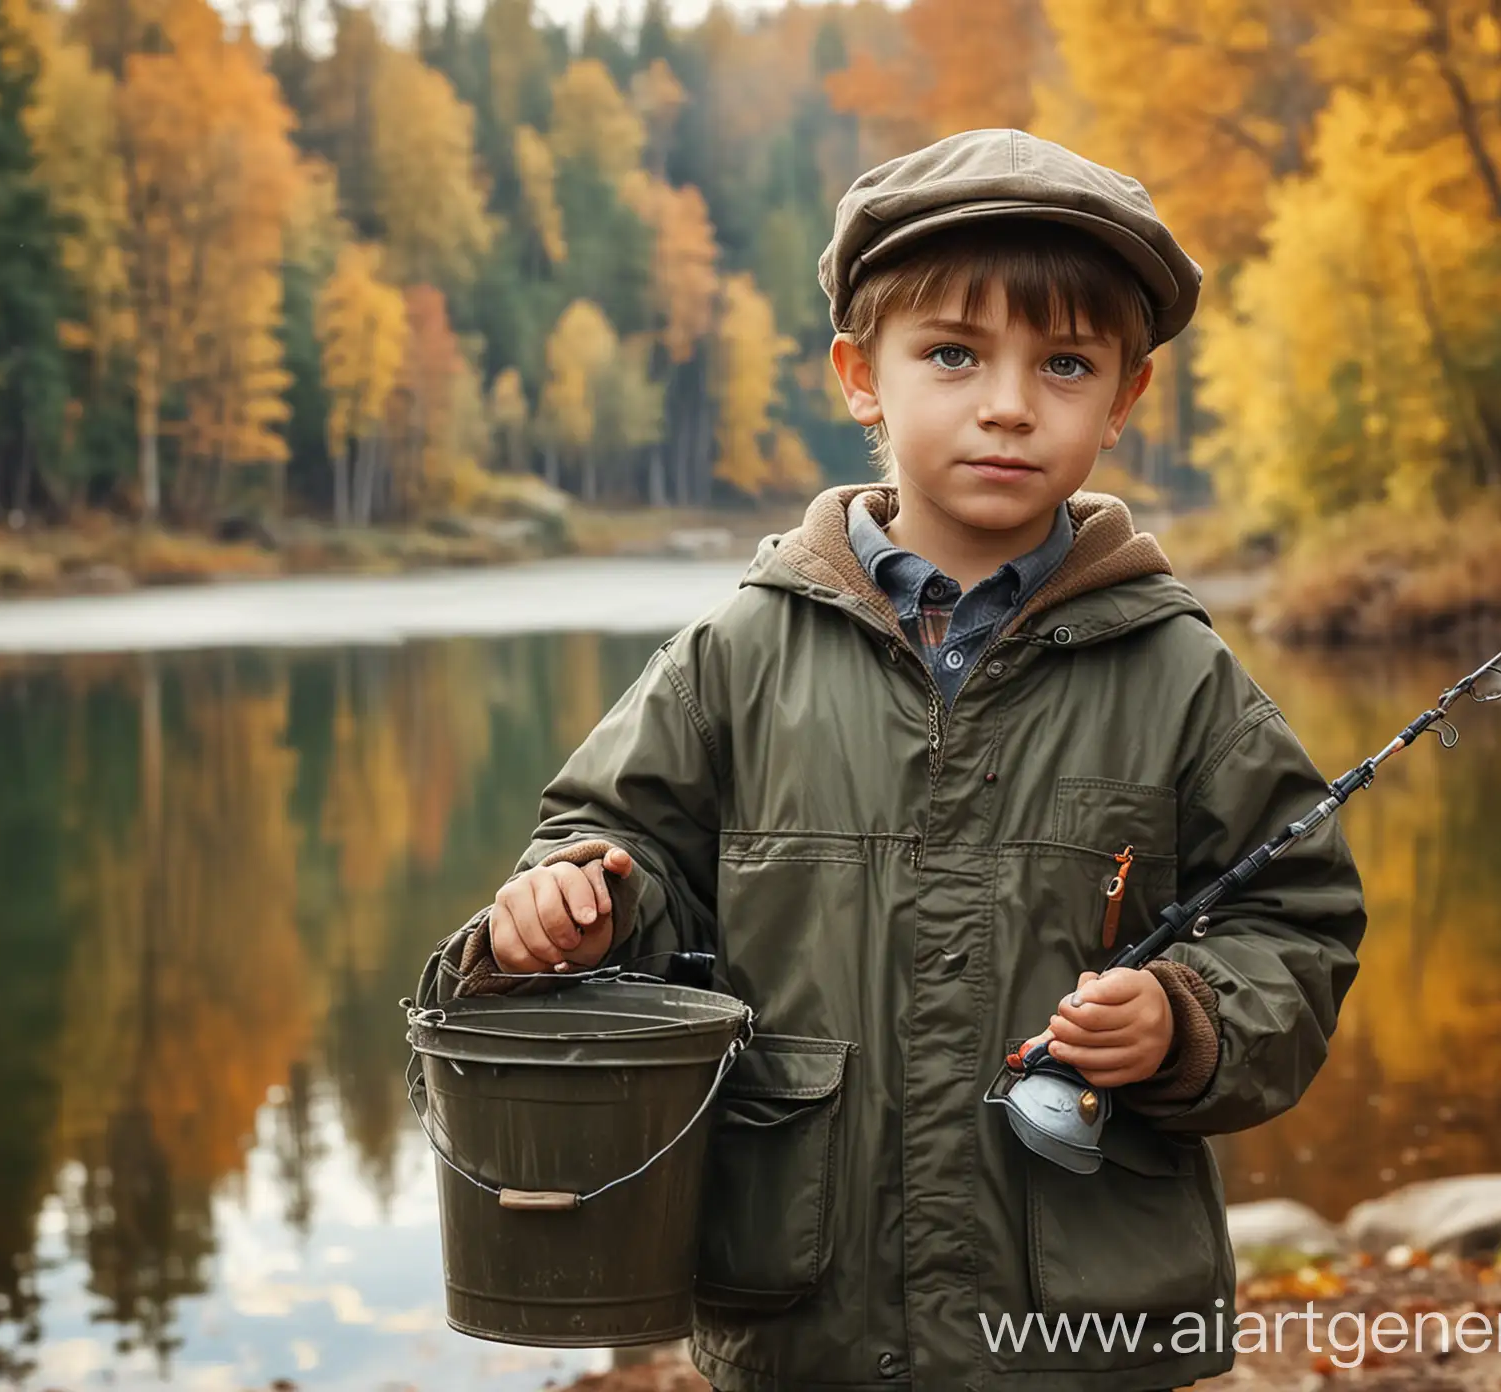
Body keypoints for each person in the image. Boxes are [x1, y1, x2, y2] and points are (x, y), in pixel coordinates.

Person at [434, 128, 1367, 1392]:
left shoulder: (1179, 676)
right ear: (859, 377)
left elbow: (1296, 923)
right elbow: (618, 850)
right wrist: (573, 905)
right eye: (952, 354)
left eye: (1066, 365)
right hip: (803, 1314)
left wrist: (1187, 1019)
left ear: (1125, 399)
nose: (1007, 403)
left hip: (1078, 1331)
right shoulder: (737, 651)